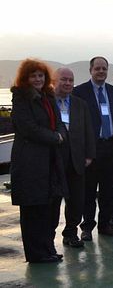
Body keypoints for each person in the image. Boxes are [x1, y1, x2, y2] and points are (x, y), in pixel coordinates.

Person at [10, 59, 67, 263]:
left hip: (50, 161)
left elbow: (59, 122)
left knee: (49, 208)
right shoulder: (21, 98)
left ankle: (48, 248)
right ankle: (36, 254)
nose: (37, 79)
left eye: (41, 75)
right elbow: (28, 128)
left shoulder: (48, 97)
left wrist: (60, 134)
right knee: (33, 209)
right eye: (33, 76)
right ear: (26, 78)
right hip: (30, 163)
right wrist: (55, 138)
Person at [73, 56, 113, 240]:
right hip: (92, 148)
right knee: (88, 190)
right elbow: (76, 123)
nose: (101, 72)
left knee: (110, 189)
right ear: (91, 70)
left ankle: (106, 224)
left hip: (112, 147)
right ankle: (87, 226)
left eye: (104, 69)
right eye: (97, 68)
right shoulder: (80, 92)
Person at [53, 68, 95, 249]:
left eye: (71, 80)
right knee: (53, 201)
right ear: (54, 80)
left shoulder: (80, 104)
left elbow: (88, 130)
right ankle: (48, 238)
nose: (68, 83)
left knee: (77, 200)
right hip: (54, 160)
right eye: (64, 80)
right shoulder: (47, 102)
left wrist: (89, 154)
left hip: (77, 159)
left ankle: (71, 233)